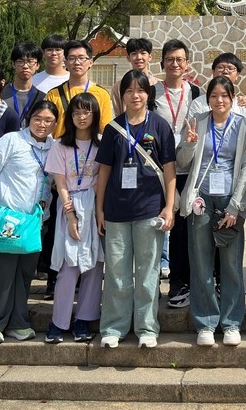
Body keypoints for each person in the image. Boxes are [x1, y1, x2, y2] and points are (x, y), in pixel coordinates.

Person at [95, 70, 177, 348]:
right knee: (116, 273)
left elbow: (169, 169)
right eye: (129, 91)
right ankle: (113, 327)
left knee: (148, 273)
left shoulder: (160, 126)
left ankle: (146, 328)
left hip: (149, 210)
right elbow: (104, 171)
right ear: (122, 95)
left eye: (140, 90)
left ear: (148, 94)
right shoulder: (113, 128)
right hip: (116, 210)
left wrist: (169, 207)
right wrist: (99, 210)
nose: (135, 95)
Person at [178, 76, 246, 346]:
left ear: (232, 98)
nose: (219, 100)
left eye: (224, 95)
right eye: (214, 95)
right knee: (201, 262)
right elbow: (182, 161)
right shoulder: (198, 122)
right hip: (201, 198)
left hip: (229, 199)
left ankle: (232, 322)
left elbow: (245, 167)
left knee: (231, 263)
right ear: (207, 98)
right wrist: (189, 144)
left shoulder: (244, 125)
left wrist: (236, 206)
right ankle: (206, 323)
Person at [0, 100, 59, 344]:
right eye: (37, 119)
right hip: (7, 219)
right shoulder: (11, 141)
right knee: (2, 274)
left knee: (25, 274)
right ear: (28, 119)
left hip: (36, 220)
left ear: (55, 124)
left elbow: (53, 182)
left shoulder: (55, 147)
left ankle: (18, 323)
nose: (42, 124)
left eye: (48, 120)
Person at [44, 93, 105, 343]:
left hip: (94, 205)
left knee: (94, 265)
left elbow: (103, 179)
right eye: (76, 112)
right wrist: (70, 216)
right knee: (68, 267)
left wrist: (98, 212)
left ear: (95, 114)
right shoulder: (60, 145)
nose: (81, 117)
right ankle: (58, 321)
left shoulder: (102, 143)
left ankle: (83, 320)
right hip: (69, 204)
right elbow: (60, 184)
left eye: (86, 112)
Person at [152, 38, 202, 308]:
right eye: (170, 59)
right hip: (157, 170)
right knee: (155, 227)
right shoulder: (151, 93)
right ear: (162, 63)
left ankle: (181, 283)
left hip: (187, 168)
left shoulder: (196, 93)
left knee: (183, 230)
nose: (174, 64)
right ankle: (150, 286)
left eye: (179, 59)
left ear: (187, 64)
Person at [44, 39, 114, 139]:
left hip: (91, 147)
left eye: (82, 58)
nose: (77, 62)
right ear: (66, 63)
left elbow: (105, 130)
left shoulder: (102, 94)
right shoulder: (54, 94)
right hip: (61, 146)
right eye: (72, 58)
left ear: (90, 62)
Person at [110, 37, 158, 115]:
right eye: (134, 54)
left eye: (143, 53)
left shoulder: (158, 84)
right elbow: (118, 115)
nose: (139, 57)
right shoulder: (119, 87)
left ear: (150, 57)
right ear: (128, 58)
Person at [5, 42, 46, 126]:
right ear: (13, 64)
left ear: (37, 65)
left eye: (30, 61)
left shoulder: (42, 97)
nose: (25, 66)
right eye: (20, 61)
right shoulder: (1, 93)